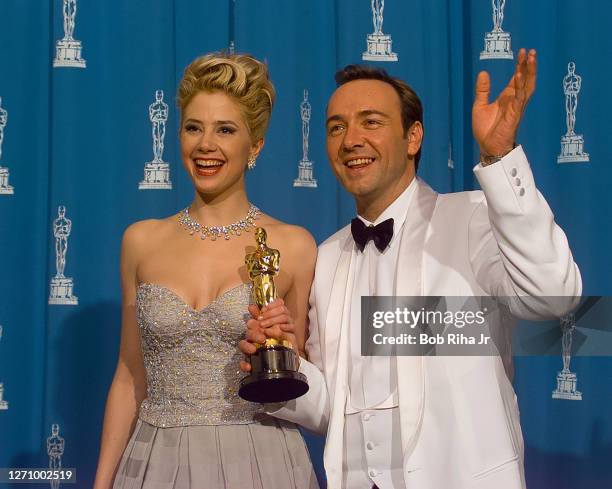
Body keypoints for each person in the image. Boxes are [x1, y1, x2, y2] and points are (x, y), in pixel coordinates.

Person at [240, 49, 582, 488]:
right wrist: (284, 364)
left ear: (413, 136)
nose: (350, 140)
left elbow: (554, 295)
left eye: (371, 121)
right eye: (336, 127)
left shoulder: (473, 217)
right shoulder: (325, 257)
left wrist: (500, 158)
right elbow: (332, 411)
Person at [94, 53, 319, 489]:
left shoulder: (293, 245)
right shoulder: (140, 242)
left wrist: (286, 348)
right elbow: (128, 375)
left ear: (255, 146)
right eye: (194, 127)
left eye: (225, 130)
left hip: (261, 460)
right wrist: (102, 483)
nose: (205, 145)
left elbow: (304, 375)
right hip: (155, 460)